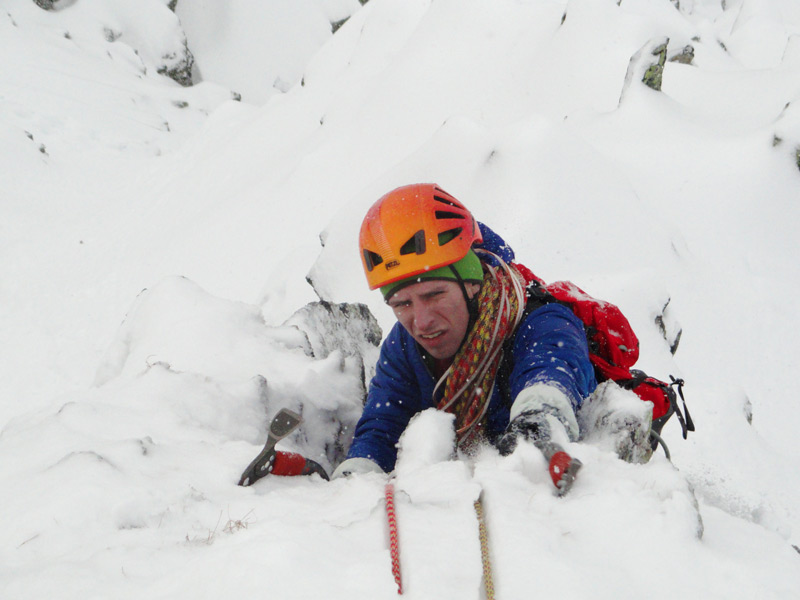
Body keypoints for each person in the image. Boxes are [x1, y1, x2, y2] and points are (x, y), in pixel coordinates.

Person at [332, 183, 598, 491]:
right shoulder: (403, 347)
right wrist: (355, 477)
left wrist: (539, 418)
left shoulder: (538, 319)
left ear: (471, 282)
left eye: (434, 294)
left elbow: (551, 366)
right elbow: (381, 428)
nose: (421, 321)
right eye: (402, 304)